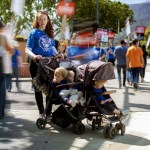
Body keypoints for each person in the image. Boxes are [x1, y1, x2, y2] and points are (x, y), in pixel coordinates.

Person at [25, 10, 58, 117]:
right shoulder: (33, 33)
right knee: (38, 89)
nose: (43, 21)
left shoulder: (50, 33)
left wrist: (58, 54)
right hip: (36, 64)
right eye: (40, 19)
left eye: (45, 19)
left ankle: (48, 113)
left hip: (49, 64)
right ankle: (41, 112)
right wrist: (34, 56)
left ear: (48, 20)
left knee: (50, 89)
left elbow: (52, 48)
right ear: (37, 20)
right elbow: (27, 49)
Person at [0, 20, 13, 119]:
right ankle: (0, 113)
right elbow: (11, 51)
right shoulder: (3, 37)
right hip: (1, 63)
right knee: (1, 89)